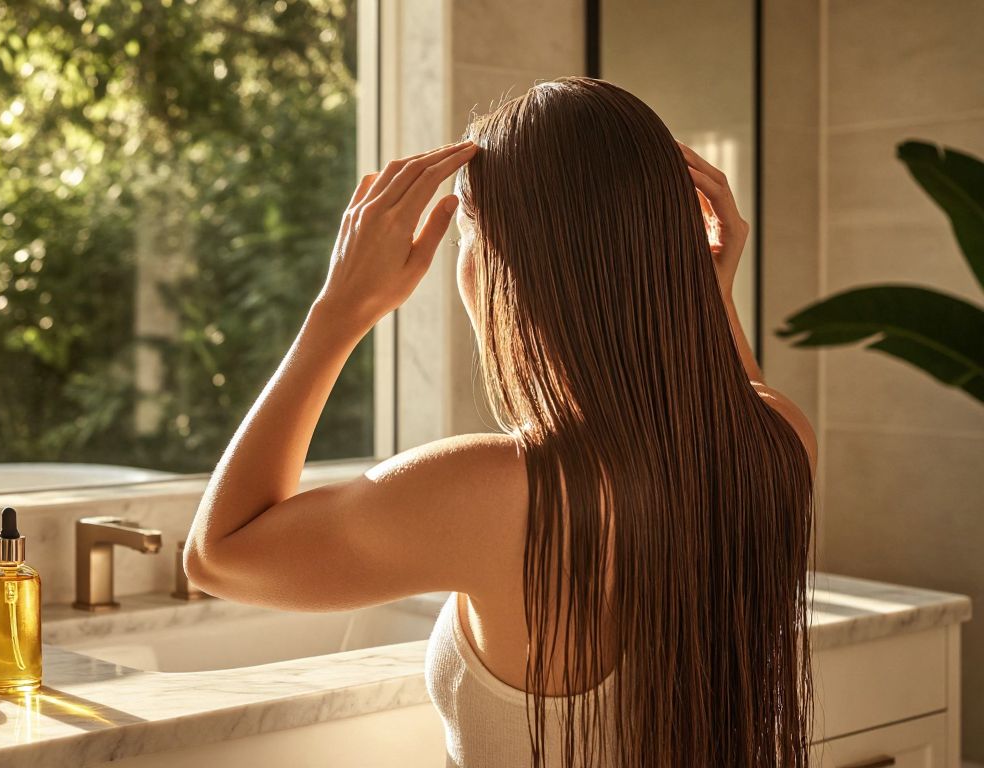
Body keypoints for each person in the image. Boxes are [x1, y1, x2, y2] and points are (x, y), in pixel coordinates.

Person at [183, 76, 817, 768]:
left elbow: (219, 555)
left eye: (467, 235)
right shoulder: (779, 444)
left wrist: (338, 312)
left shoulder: (500, 491)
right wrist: (707, 287)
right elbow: (736, 393)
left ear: (506, 265)